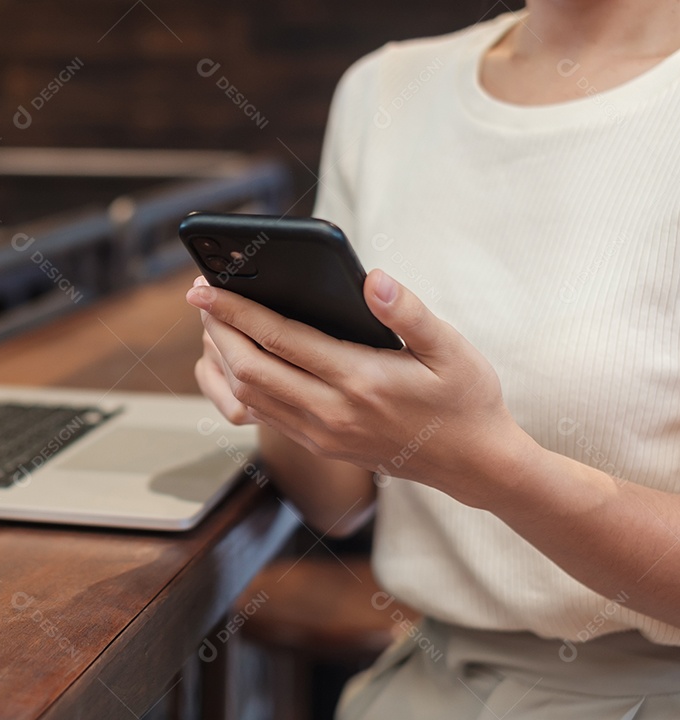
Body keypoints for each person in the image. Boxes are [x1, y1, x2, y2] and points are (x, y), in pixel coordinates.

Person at [187, 1, 680, 717]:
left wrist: (493, 466)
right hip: (422, 685)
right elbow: (339, 501)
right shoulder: (387, 90)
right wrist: (277, 381)